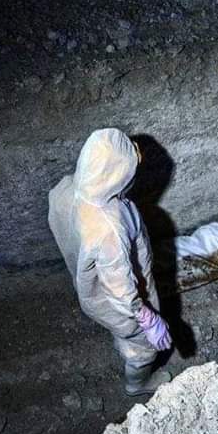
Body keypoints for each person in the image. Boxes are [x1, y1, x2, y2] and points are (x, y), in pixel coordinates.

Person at [48, 128, 173, 396]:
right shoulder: (109, 229)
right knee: (142, 346)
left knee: (120, 327)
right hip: (118, 299)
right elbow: (122, 292)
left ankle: (123, 338)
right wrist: (148, 320)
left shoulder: (67, 188)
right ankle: (137, 384)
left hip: (93, 288)